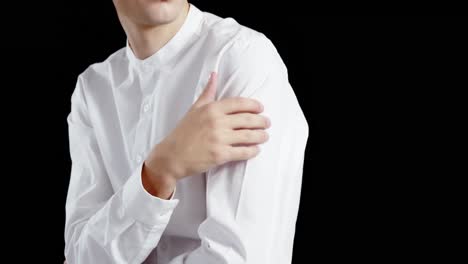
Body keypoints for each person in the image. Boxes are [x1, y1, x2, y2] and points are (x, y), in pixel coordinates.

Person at [64, 0, 309, 263]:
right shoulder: (93, 89)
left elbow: (243, 258)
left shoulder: (241, 57)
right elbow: (81, 256)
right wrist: (158, 172)